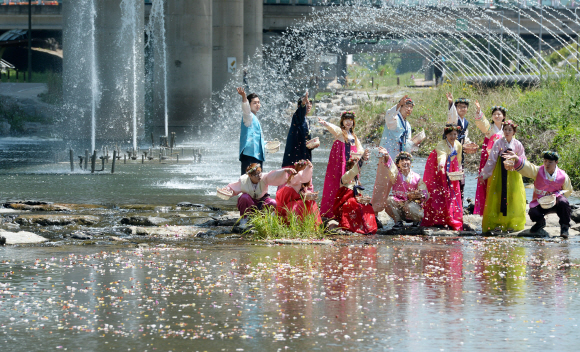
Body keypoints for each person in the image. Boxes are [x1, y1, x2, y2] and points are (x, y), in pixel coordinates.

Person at [504, 150, 573, 238]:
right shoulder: (538, 171)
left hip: (555, 203)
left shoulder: (563, 176)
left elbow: (568, 190)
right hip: (540, 202)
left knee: (564, 202)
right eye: (545, 161)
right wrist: (517, 159)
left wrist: (556, 196)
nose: (547, 164)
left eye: (550, 162)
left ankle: (564, 227)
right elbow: (528, 167)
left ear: (556, 162)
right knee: (532, 211)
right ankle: (540, 223)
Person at [372, 95, 417, 226]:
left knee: (400, 186)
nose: (409, 109)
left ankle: (399, 216)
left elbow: (407, 144)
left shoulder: (407, 125)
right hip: (387, 158)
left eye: (411, 107)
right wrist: (397, 105)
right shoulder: (395, 119)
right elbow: (388, 116)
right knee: (382, 186)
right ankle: (374, 214)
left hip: (399, 161)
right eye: (406, 106)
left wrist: (414, 143)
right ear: (401, 107)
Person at [480, 120, 526, 233]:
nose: (507, 132)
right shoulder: (498, 143)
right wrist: (484, 174)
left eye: (510, 130)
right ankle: (497, 223)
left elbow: (523, 159)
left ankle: (512, 222)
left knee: (513, 195)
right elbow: (492, 160)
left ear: (514, 131)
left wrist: (515, 158)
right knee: (497, 195)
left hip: (513, 173)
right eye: (505, 129)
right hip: (499, 172)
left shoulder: (517, 144)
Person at [318, 111, 365, 218]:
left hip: (350, 162)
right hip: (340, 163)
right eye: (346, 120)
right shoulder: (340, 133)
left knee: (351, 182)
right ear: (342, 121)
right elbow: (333, 128)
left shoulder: (354, 136)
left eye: (350, 120)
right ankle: (331, 211)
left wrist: (362, 157)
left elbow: (360, 150)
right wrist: (325, 123)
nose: (348, 122)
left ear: (353, 122)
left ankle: (349, 208)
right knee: (337, 182)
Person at [421, 124, 463, 231]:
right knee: (440, 193)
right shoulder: (441, 145)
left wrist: (459, 171)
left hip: (451, 169)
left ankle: (451, 217)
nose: (453, 137)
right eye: (450, 134)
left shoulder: (458, 145)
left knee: (452, 192)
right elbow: (442, 156)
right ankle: (438, 218)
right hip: (438, 170)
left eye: (455, 134)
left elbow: (458, 159)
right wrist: (441, 165)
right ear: (446, 135)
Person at [222, 163, 296, 219]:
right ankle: (244, 220)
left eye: (260, 172)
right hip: (249, 203)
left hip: (261, 202)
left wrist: (285, 170)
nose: (259, 175)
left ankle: (263, 219)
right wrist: (226, 190)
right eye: (256, 174)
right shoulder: (244, 180)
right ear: (250, 176)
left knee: (272, 202)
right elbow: (233, 187)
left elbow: (274, 175)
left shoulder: (264, 177)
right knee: (244, 197)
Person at [377, 147, 429, 227]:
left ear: (410, 163)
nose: (405, 162)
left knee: (411, 206)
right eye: (402, 160)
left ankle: (416, 221)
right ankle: (398, 222)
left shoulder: (417, 177)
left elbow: (424, 192)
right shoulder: (395, 175)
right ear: (398, 164)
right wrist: (387, 155)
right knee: (389, 200)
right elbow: (391, 167)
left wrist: (420, 195)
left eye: (407, 160)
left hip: (412, 206)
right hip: (399, 204)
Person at [332, 152, 377, 235]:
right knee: (352, 202)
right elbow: (353, 171)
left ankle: (367, 227)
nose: (358, 169)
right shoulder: (345, 178)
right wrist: (362, 160)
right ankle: (348, 226)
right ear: (349, 167)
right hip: (344, 205)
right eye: (356, 166)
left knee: (367, 205)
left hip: (356, 204)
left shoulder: (357, 182)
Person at [473, 103, 506, 215]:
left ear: (503, 116)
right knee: (489, 182)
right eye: (494, 114)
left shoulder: (506, 129)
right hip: (489, 159)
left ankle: (500, 207)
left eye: (499, 114)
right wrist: (479, 111)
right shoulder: (489, 128)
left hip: (503, 159)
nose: (497, 116)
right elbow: (482, 123)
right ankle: (488, 208)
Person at [276, 159, 322, 224]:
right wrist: (308, 168)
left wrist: (309, 195)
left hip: (297, 198)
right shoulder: (295, 177)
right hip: (290, 199)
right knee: (300, 204)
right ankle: (295, 222)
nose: (306, 171)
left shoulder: (305, 179)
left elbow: (305, 190)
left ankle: (311, 222)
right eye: (304, 169)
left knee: (310, 202)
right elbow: (303, 175)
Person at [446, 93, 471, 199]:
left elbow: (465, 136)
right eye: (459, 106)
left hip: (460, 152)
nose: (462, 109)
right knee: (450, 176)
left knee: (461, 178)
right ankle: (450, 201)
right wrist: (451, 103)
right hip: (450, 150)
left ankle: (459, 201)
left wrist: (468, 144)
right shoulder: (453, 119)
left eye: (464, 107)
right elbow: (452, 114)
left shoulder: (466, 122)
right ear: (456, 108)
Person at [282, 92, 316, 167]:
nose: (309, 105)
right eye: (306, 103)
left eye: (310, 103)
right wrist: (303, 103)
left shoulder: (307, 120)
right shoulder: (297, 117)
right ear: (299, 106)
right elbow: (300, 111)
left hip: (304, 154)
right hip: (295, 157)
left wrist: (312, 144)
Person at [237, 87, 266, 175]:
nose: (257, 105)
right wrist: (244, 97)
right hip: (249, 156)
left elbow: (257, 138)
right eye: (254, 103)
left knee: (257, 183)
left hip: (257, 156)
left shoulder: (255, 118)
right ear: (249, 105)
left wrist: (266, 143)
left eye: (258, 102)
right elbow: (246, 109)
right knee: (247, 182)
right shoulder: (248, 117)